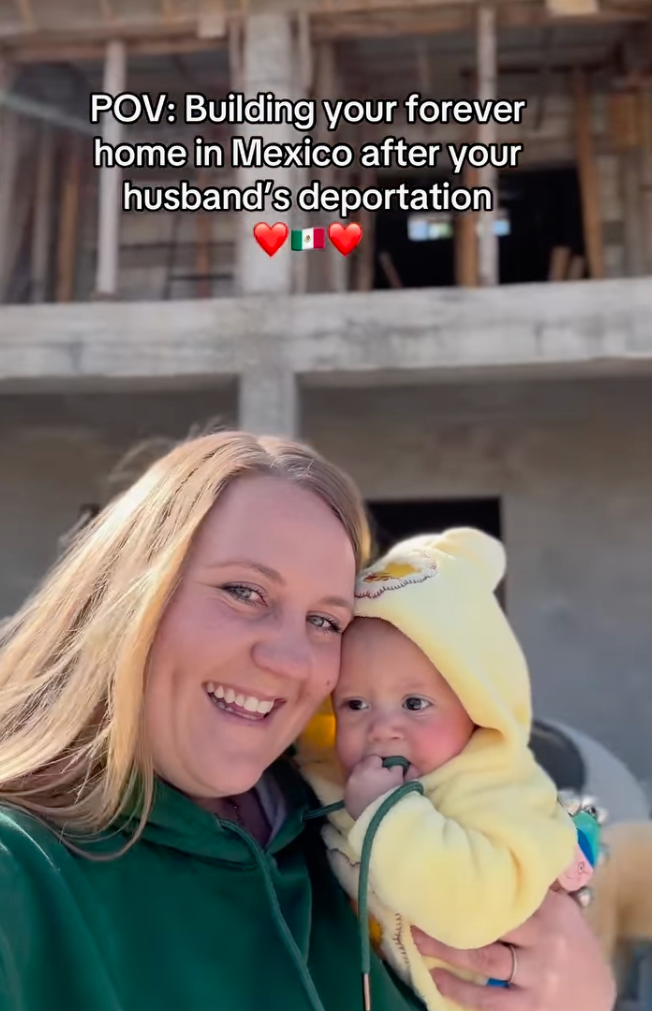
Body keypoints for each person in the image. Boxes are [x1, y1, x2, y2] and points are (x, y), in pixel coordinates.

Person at [0, 431, 616, 1011]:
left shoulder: (339, 819)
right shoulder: (20, 869)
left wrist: (582, 992)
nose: (292, 660)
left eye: (326, 621)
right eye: (244, 592)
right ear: (128, 596)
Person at [297, 527, 601, 1011]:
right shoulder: (329, 773)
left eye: (415, 703)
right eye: (354, 703)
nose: (382, 728)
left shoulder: (498, 789)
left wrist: (384, 815)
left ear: (477, 704)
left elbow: (474, 911)